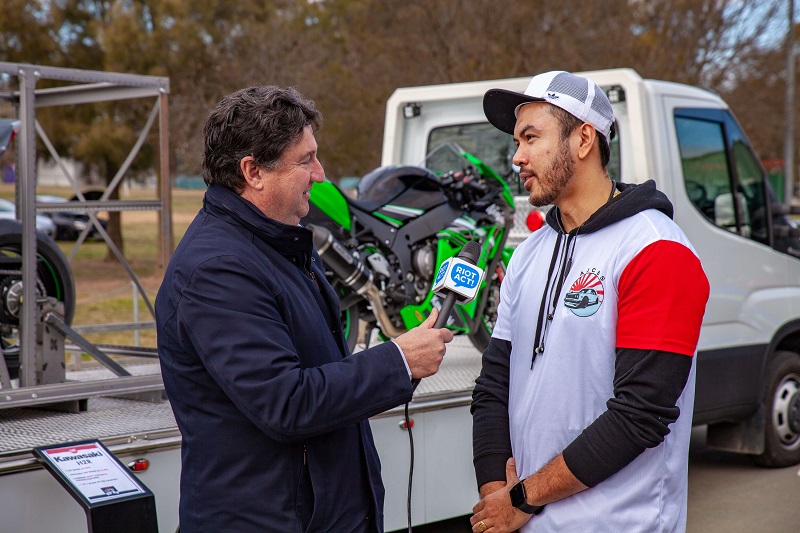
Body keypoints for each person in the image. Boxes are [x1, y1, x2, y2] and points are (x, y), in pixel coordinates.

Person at [155, 86, 453, 532]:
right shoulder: (218, 269)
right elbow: (286, 402)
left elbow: (319, 372)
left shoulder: (283, 241)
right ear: (253, 171)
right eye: (305, 160)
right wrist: (398, 361)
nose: (321, 173)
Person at [470, 71, 709, 532]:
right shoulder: (528, 254)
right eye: (516, 141)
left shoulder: (656, 250)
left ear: (583, 139)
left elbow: (640, 414)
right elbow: (494, 383)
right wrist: (496, 493)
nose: (516, 156)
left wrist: (522, 498)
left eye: (531, 137)